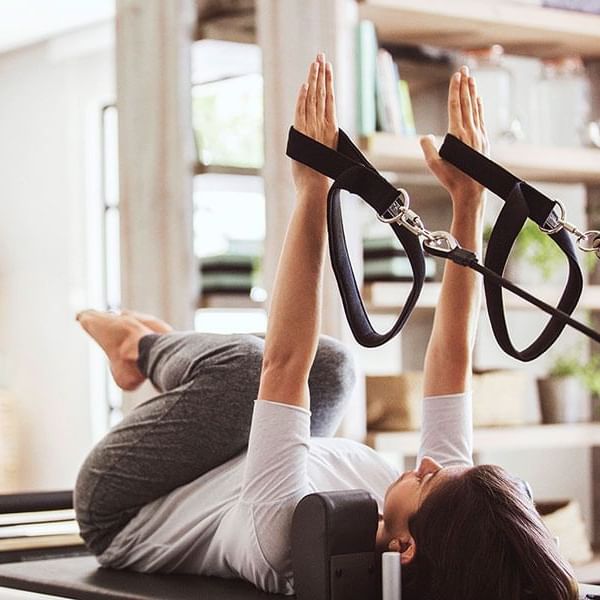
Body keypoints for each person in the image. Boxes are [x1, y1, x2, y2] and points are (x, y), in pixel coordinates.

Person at [74, 54, 577, 600]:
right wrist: (468, 201)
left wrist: (312, 190)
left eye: (429, 477)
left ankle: (135, 346)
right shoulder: (448, 519)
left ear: (405, 549)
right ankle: (163, 350)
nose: (430, 462)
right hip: (226, 472)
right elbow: (452, 359)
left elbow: (282, 362)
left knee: (256, 371)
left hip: (126, 504)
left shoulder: (286, 538)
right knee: (335, 369)